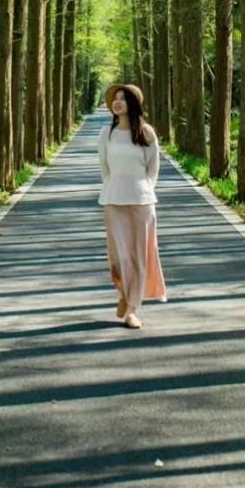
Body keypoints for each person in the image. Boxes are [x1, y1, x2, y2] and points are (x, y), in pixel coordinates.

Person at [97, 83, 167, 329]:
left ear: (133, 104)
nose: (117, 103)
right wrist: (113, 187)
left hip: (142, 202)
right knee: (119, 257)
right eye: (115, 99)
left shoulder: (146, 133)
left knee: (138, 257)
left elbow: (153, 169)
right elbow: (104, 168)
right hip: (113, 201)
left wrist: (143, 190)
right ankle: (124, 294)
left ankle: (132, 309)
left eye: (123, 99)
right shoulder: (106, 133)